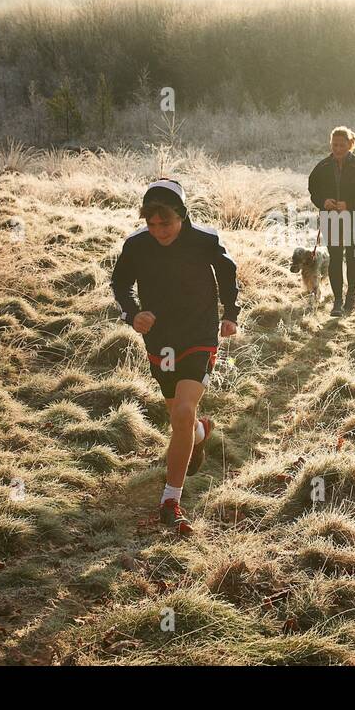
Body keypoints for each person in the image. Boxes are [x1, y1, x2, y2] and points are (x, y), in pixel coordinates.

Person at [109, 179, 240, 535]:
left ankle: (170, 501)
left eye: (164, 222)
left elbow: (228, 274)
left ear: (182, 216)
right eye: (150, 224)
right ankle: (199, 433)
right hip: (161, 341)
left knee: (182, 411)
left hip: (199, 335)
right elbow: (120, 284)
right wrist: (133, 313)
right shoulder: (137, 246)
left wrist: (231, 313)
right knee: (180, 419)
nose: (158, 230)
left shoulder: (205, 241)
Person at [307, 126, 355, 317]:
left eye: (341, 145)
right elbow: (313, 190)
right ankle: (337, 302)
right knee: (335, 258)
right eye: (334, 145)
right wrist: (323, 201)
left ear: (350, 145)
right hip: (330, 218)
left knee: (352, 257)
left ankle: (351, 295)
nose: (337, 149)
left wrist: (349, 204)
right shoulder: (322, 167)